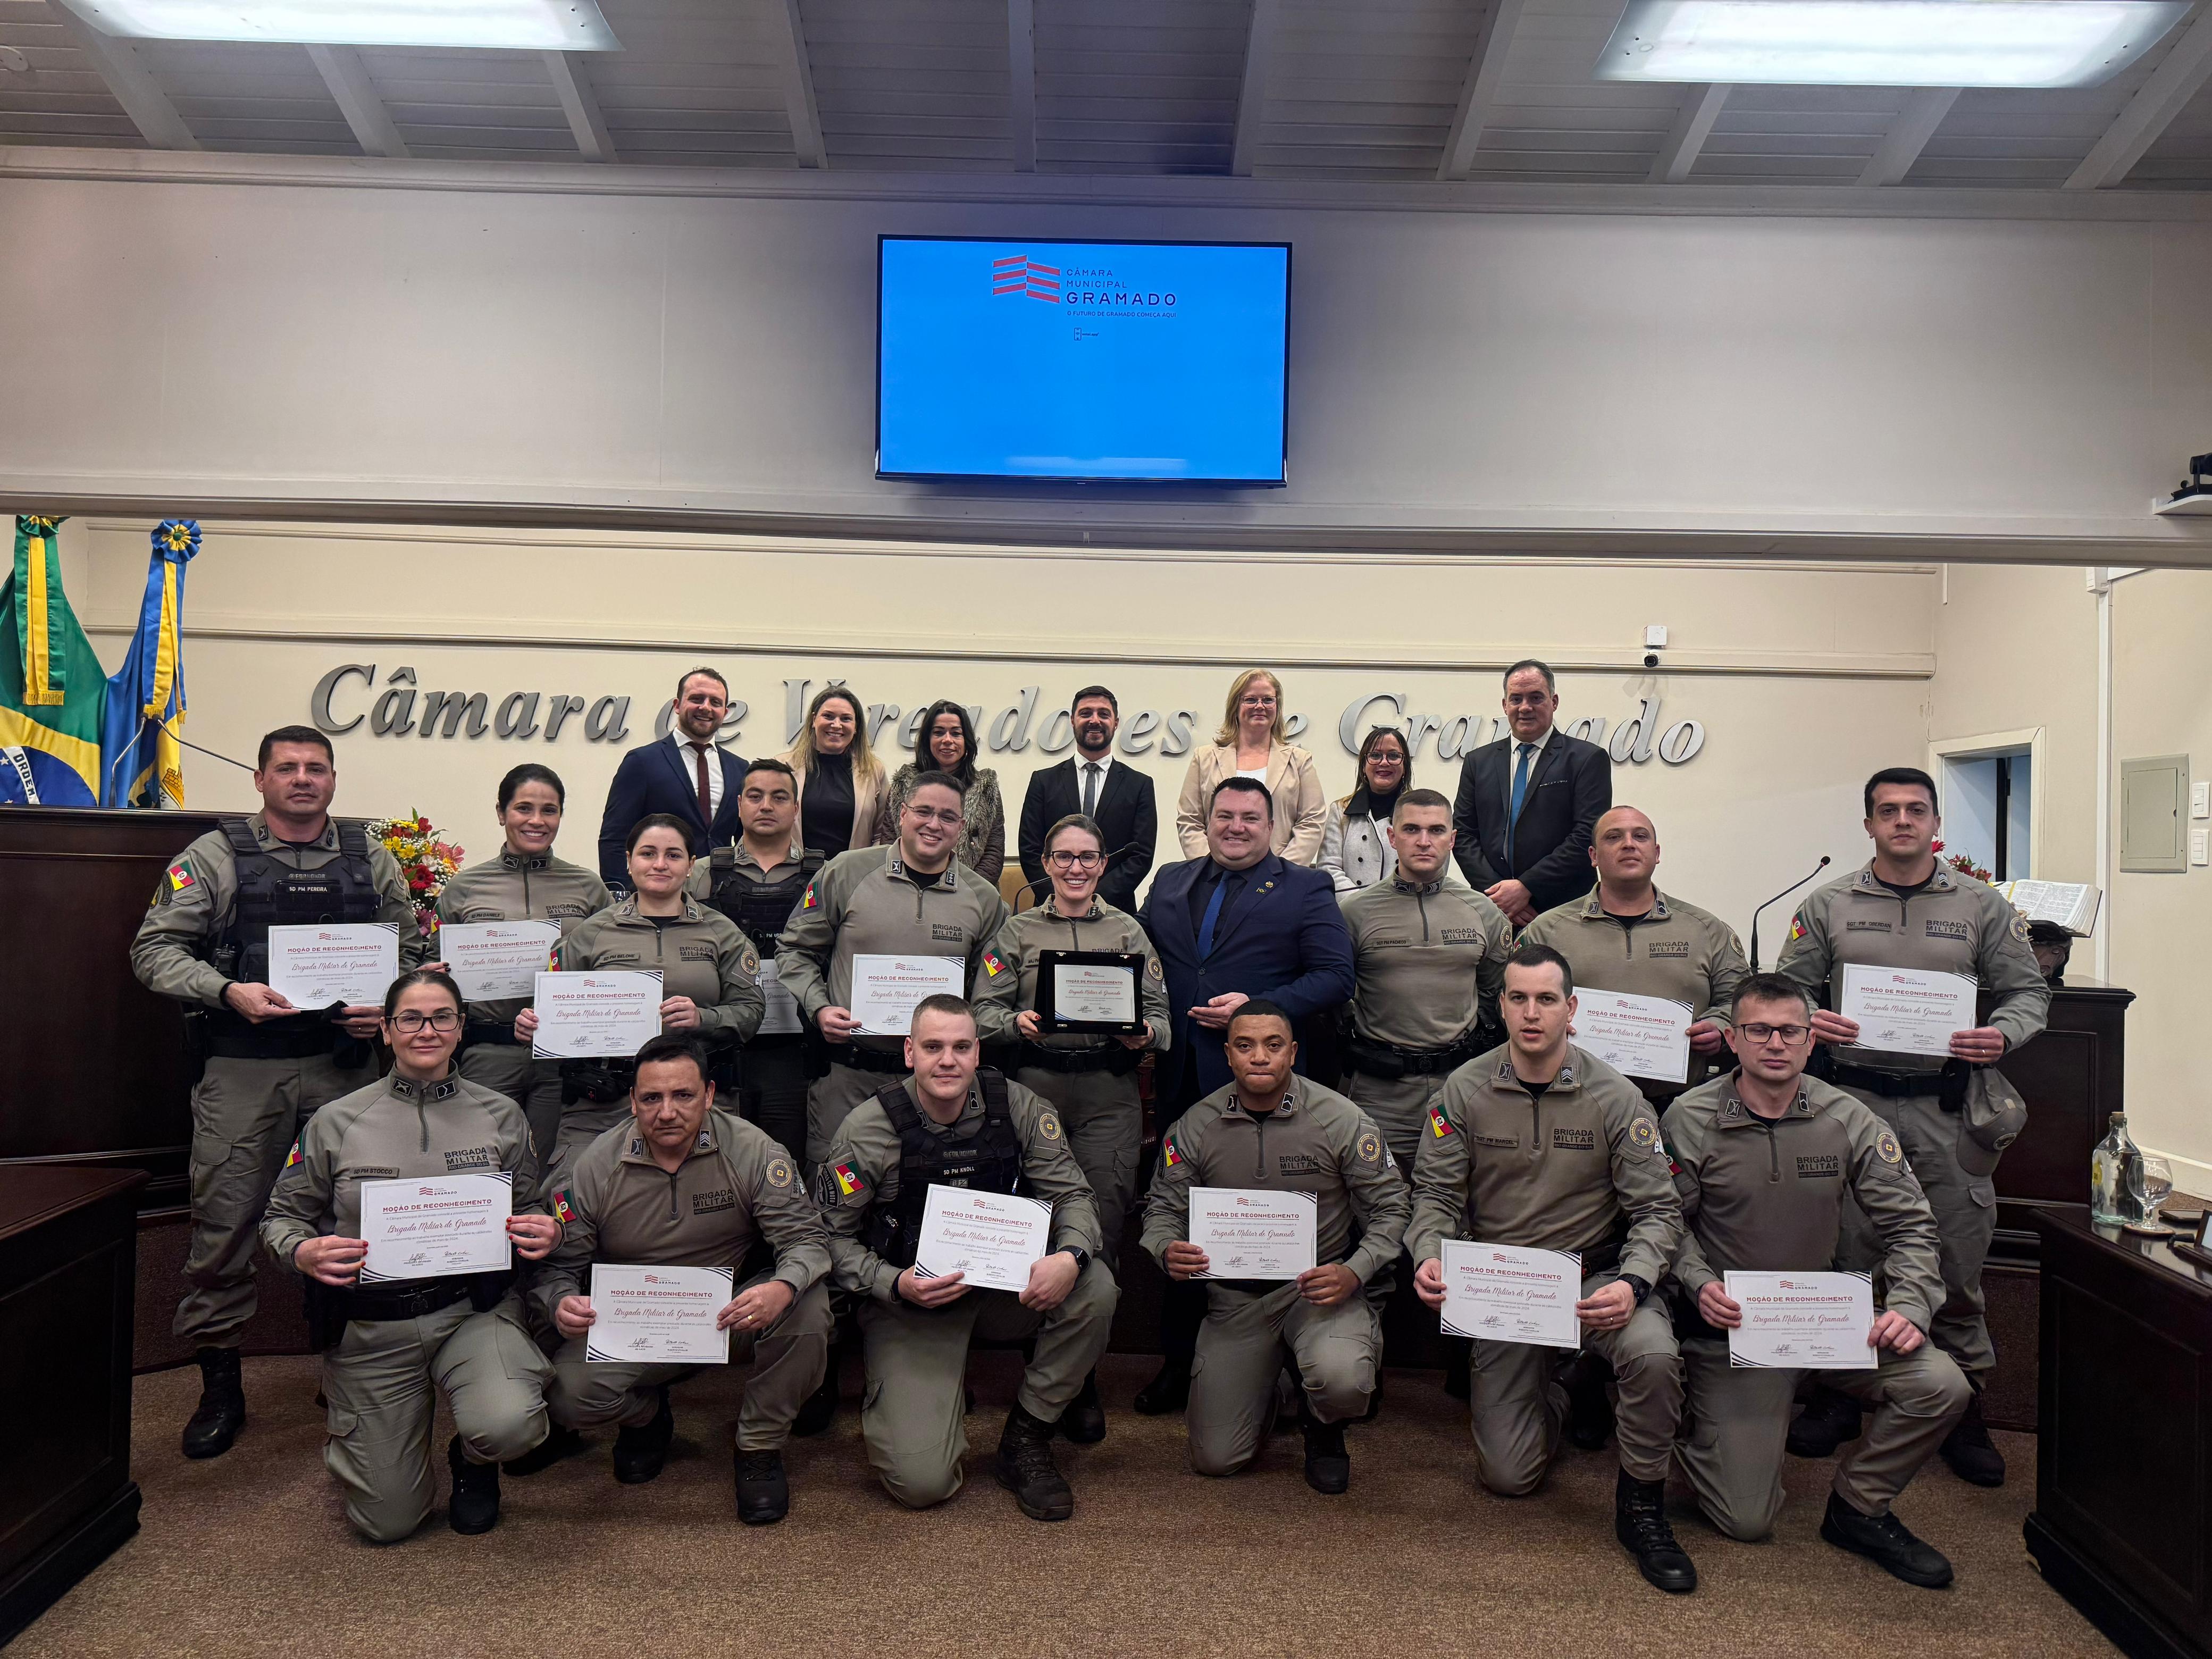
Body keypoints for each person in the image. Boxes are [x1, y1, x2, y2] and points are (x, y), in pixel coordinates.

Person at [131, 723, 429, 1461]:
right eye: (288, 768)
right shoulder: (214, 856)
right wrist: (226, 990)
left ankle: (350, 1365)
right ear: (261, 779)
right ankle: (220, 1381)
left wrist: (387, 1004)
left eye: (316, 768)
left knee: (359, 1212)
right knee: (226, 1217)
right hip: (245, 1068)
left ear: (333, 780)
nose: (303, 779)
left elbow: (413, 949)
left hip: (346, 1069)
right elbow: (154, 949)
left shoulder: (370, 857)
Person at [1777, 766, 2049, 1488]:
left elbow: (2028, 992)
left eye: (1915, 810)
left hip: (1946, 1105)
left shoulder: (1981, 905)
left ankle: (1964, 1402)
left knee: (1956, 1256)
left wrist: (2002, 1034)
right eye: (1888, 810)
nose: (1902, 820)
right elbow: (1789, 989)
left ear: (1935, 824)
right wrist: (1810, 1019)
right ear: (1868, 824)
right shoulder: (1828, 903)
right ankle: (1840, 1390)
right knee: (1848, 1250)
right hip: (1851, 1103)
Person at [1663, 975, 1969, 1587]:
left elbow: (1911, 1226)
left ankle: (1859, 1506)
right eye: (1758, 1030)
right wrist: (1697, 1283)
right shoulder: (1689, 1118)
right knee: (1745, 1520)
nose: (1774, 1044)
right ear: (1732, 1039)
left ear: (1810, 1040)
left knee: (1941, 1385)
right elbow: (1665, 1224)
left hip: (1825, 1321)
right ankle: (1693, 1429)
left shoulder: (1847, 1117)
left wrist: (1909, 1306)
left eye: (1789, 1031)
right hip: (1734, 1333)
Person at [1408, 944, 1696, 1594]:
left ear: (1571, 1009)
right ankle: (1566, 1386)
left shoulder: (1615, 1096)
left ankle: (1641, 1506)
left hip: (1593, 1278)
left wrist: (1633, 1283)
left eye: (1545, 1000)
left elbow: (1657, 1210)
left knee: (1652, 1354)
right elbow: (1434, 1195)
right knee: (1508, 1478)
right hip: (1503, 1283)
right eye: (1518, 998)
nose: (1531, 1013)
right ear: (1501, 1006)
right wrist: (1428, 1254)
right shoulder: (1463, 1089)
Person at [259, 970, 558, 1540]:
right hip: (372, 1326)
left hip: (471, 1312)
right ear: (387, 1031)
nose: (427, 1031)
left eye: (442, 1017)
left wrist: (547, 1230)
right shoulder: (336, 1121)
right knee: (387, 1523)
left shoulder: (501, 1115)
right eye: (411, 1019)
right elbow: (280, 1219)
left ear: (461, 1028)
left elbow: (530, 1206)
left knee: (510, 1426)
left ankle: (474, 1458)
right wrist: (301, 1252)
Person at [814, 995, 1118, 1520]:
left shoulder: (1019, 1107)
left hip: (1004, 1292)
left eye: (960, 1047)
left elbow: (1073, 1196)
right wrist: (893, 1283)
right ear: (909, 1052)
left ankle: (1027, 1436)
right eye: (933, 1047)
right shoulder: (867, 1129)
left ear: (978, 1052)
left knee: (1095, 1285)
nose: (947, 1061)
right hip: (912, 1303)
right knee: (921, 1484)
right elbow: (828, 1238)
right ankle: (926, 1396)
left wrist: (1069, 1257)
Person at [533, 1033, 833, 1524]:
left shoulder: (754, 1151)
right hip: (635, 1323)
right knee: (566, 1397)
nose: (667, 1112)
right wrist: (560, 1301)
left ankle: (758, 1446)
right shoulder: (592, 1166)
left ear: (710, 1095)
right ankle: (648, 1417)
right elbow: (558, 1267)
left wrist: (782, 1287)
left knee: (808, 1306)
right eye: (652, 1098)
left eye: (683, 1095)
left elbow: (806, 1240)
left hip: (728, 1314)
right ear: (633, 1101)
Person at [1135, 774, 1355, 1413]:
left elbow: (1334, 977)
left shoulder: (1305, 887)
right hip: (1179, 1081)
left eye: (1249, 818)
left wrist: (1257, 1008)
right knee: (1182, 1221)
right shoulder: (1169, 882)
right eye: (1223, 816)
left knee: (1270, 1222)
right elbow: (1139, 959)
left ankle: (1288, 1370)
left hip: (1263, 1085)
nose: (1235, 828)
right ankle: (1179, 1361)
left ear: (1272, 826)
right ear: (1206, 821)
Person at [1140, 1001, 1407, 1493]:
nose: (1259, 1057)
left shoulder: (1341, 1118)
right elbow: (1162, 1210)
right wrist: (1165, 1247)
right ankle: (1276, 1387)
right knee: (1216, 1459)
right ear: (1228, 1054)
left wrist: (1355, 1271)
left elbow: (1392, 1210)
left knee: (1343, 1382)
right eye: (1245, 1046)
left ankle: (1322, 1427)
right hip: (1235, 1300)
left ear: (1293, 1052)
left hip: (1319, 1292)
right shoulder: (1195, 1126)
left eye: (1273, 1045)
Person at [974, 811, 1171, 1440]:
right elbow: (980, 1011)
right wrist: (1014, 1024)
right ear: (1046, 864)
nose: (1075, 868)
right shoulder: (1015, 932)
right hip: (1035, 1088)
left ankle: (1078, 1375)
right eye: (1063, 856)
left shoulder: (1128, 932)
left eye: (1087, 857)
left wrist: (1144, 1033)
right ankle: (1041, 1358)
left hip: (1108, 1093)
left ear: (1103, 865)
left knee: (1101, 1227)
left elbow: (1162, 1020)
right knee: (1033, 1221)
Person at [775, 770, 1012, 1174]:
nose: (934, 824)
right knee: (838, 1184)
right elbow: (795, 949)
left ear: (961, 828)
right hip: (849, 1074)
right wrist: (819, 1008)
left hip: (935, 1085)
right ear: (902, 814)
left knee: (924, 1186)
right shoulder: (845, 872)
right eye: (923, 811)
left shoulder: (985, 899)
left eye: (948, 817)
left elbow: (994, 985)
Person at [527, 814, 764, 1164]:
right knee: (574, 1189)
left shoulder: (723, 933)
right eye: (648, 853)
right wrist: (535, 1025)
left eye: (673, 855)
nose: (660, 864)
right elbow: (553, 1011)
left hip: (698, 1104)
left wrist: (703, 1018)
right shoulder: (589, 935)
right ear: (629, 861)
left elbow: (752, 1011)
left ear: (691, 866)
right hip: (604, 1103)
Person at [436, 763, 611, 1167]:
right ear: (501, 813)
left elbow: (609, 964)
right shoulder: (464, 887)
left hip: (565, 1059)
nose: (537, 821)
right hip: (488, 1053)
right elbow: (433, 966)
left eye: (549, 810)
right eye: (524, 808)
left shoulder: (588, 887)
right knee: (480, 1162)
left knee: (556, 1168)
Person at [1518, 806, 1749, 1107]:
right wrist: (1547, 1023)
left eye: (1640, 836)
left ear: (1657, 853)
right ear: (1593, 856)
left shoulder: (1706, 929)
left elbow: (1741, 1001)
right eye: (1614, 837)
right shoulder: (1548, 929)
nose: (1629, 844)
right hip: (1573, 1101)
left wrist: (1718, 1025)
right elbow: (1510, 1001)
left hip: (1679, 1104)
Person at [1338, 788, 1513, 1174]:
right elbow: (1336, 996)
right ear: (1392, 836)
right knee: (1376, 1194)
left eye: (1436, 830)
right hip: (1380, 1091)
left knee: (1457, 1192)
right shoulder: (1354, 913)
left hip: (1460, 1086)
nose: (1423, 841)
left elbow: (1496, 994)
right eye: (1411, 829)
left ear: (1452, 839)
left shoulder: (1484, 912)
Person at [692, 757, 817, 1162]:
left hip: (795, 1048)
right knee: (720, 1160)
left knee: (787, 1158)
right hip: (721, 1044)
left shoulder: (826, 875)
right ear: (740, 804)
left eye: (779, 798)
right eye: (755, 796)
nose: (766, 806)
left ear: (796, 808)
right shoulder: (701, 874)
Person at [1450, 659, 1611, 927]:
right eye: (1516, 699)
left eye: (1536, 698)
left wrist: (1527, 887)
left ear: (1554, 701)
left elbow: (1587, 835)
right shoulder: (1478, 762)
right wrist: (1500, 895)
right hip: (1494, 909)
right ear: (1505, 705)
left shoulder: (1587, 759)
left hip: (1563, 910)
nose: (1525, 707)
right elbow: (1464, 833)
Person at [594, 667, 745, 892]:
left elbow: (746, 840)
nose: (706, 707)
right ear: (677, 705)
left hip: (720, 897)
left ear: (725, 712)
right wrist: (624, 895)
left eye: (715, 702)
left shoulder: (740, 769)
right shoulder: (642, 762)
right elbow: (614, 838)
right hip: (657, 893)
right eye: (697, 699)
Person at [1017, 685, 1157, 914]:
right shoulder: (1043, 781)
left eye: (1104, 714)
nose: (1095, 720)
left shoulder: (1140, 785)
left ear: (1116, 723)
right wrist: (1061, 896)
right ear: (1073, 721)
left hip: (1115, 910)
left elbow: (1141, 855)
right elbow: (1030, 849)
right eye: (1086, 713)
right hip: (1051, 908)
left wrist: (1094, 900)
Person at [1174, 669, 1327, 866]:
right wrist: (1212, 867)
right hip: (1215, 874)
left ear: (1277, 707)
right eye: (1251, 700)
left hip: (1279, 875)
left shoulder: (1299, 761)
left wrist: (1282, 871)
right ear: (1235, 706)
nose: (1260, 706)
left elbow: (1312, 822)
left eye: (1268, 700)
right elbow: (1190, 821)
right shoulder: (1204, 758)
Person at [888, 699, 1004, 885]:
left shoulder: (986, 787)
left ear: (966, 740)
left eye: (956, 733)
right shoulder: (904, 783)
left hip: (972, 893)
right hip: (907, 889)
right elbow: (889, 842)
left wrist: (965, 892)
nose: (948, 740)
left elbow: (994, 853)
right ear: (927, 739)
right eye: (939, 732)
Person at [782, 684, 893, 858]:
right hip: (794, 872)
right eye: (828, 716)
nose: (836, 725)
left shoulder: (874, 770)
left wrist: (867, 867)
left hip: (852, 872)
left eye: (846, 719)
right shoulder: (783, 766)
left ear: (856, 727)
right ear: (814, 720)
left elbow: (882, 834)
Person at [1319, 725, 1412, 892]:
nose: (1384, 762)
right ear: (1363, 766)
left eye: (1394, 756)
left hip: (1403, 906)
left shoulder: (1419, 813)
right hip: (1350, 905)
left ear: (1405, 766)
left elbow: (1429, 869)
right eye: (1375, 755)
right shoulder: (1340, 811)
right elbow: (1329, 868)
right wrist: (1359, 903)